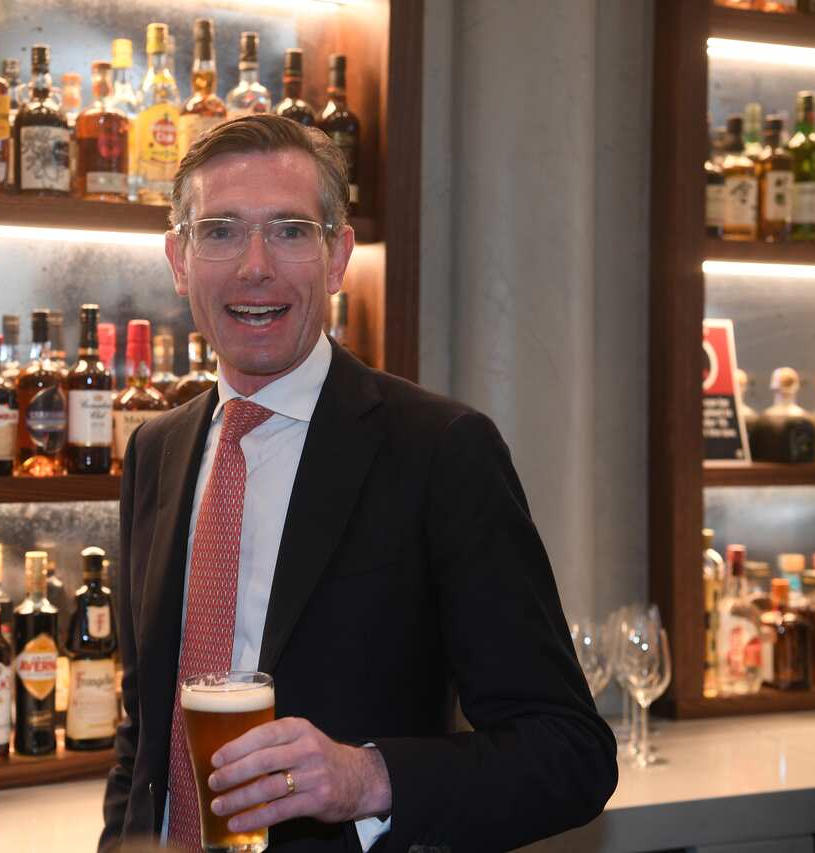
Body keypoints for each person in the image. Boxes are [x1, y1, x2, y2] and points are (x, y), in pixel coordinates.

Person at [98, 115, 618, 853]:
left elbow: (570, 753)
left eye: (290, 230)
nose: (254, 266)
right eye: (220, 231)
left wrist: (368, 777)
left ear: (338, 257)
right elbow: (141, 736)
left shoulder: (440, 450)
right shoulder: (155, 450)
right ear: (179, 260)